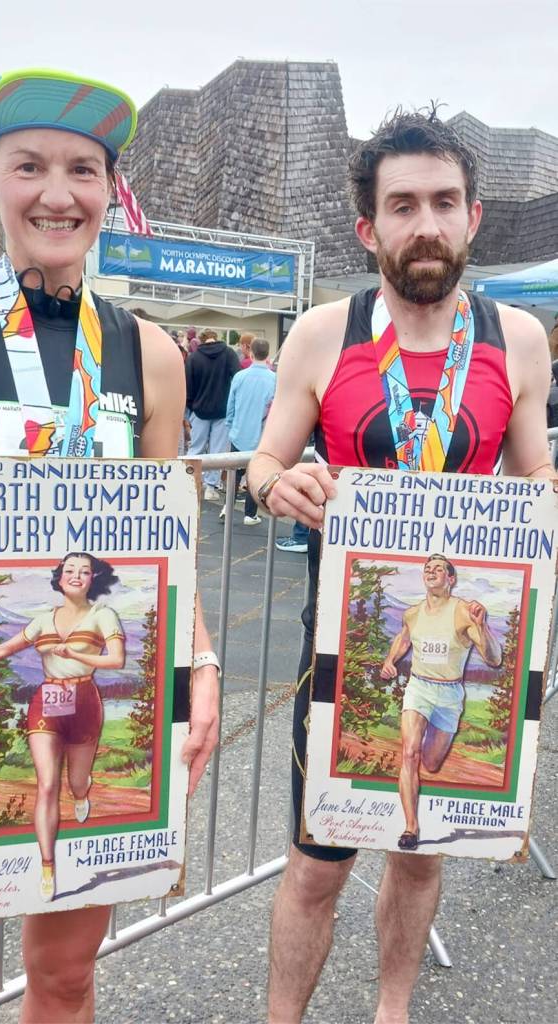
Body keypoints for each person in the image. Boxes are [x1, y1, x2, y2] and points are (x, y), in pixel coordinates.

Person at [247, 106, 555, 1024]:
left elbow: (533, 472)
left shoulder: (519, 339)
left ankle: (393, 1011)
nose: (426, 222)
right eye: (404, 204)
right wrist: (276, 485)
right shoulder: (322, 332)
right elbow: (266, 461)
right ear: (369, 226)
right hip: (339, 646)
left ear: (473, 218)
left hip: (457, 638)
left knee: (421, 853)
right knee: (316, 861)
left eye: (444, 202)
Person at [0, 67, 219, 1023]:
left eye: (84, 171)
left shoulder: (149, 352)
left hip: (90, 687)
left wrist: (204, 659)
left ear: (109, 192)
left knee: (65, 978)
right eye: (29, 167)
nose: (58, 194)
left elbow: (166, 536)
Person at [0, 553, 126, 901]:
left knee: (76, 782)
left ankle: (83, 793)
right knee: (48, 784)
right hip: (47, 702)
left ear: (92, 579)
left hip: (84, 699)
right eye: (69, 570)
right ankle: (47, 865)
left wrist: (76, 655)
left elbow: (116, 659)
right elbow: (7, 647)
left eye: (84, 571)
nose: (76, 575)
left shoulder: (103, 615)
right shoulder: (43, 620)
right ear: (59, 577)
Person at [380, 554, 501, 850]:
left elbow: (494, 659)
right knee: (409, 753)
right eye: (428, 569)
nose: (431, 572)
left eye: (439, 569)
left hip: (449, 694)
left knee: (431, 763)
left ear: (451, 579)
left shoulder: (462, 612)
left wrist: (482, 627)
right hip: (419, 687)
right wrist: (389, 660)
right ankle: (411, 827)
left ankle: (423, 775)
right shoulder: (413, 612)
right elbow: (405, 638)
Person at [223, 337, 276, 525]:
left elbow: (231, 405)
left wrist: (230, 424)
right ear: (267, 354)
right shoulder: (275, 379)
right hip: (262, 436)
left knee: (234, 473)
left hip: (238, 433)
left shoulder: (240, 376)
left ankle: (226, 507)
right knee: (255, 476)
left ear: (251, 353)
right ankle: (250, 513)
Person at [185, 327, 240, 500]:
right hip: (222, 410)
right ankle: (211, 487)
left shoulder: (194, 358)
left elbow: (188, 386)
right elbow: (237, 378)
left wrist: (190, 408)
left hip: (199, 410)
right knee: (217, 452)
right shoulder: (229, 354)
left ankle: (188, 483)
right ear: (215, 338)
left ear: (201, 340)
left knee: (196, 448)